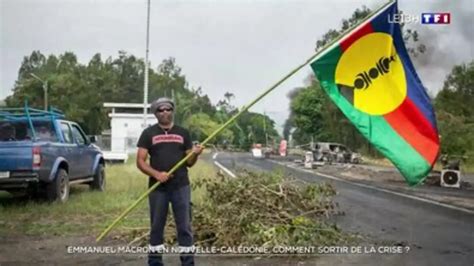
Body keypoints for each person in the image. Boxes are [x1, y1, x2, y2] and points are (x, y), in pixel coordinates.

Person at [136, 97, 203, 266]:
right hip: (158, 188)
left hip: (181, 186)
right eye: (160, 110)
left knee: (184, 228)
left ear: (172, 111)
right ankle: (155, 262)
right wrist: (157, 174)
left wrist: (195, 153)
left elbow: (189, 162)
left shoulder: (183, 133)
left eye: (168, 109)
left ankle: (188, 263)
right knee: (157, 228)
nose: (165, 112)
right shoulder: (148, 134)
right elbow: (141, 161)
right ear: (156, 113)